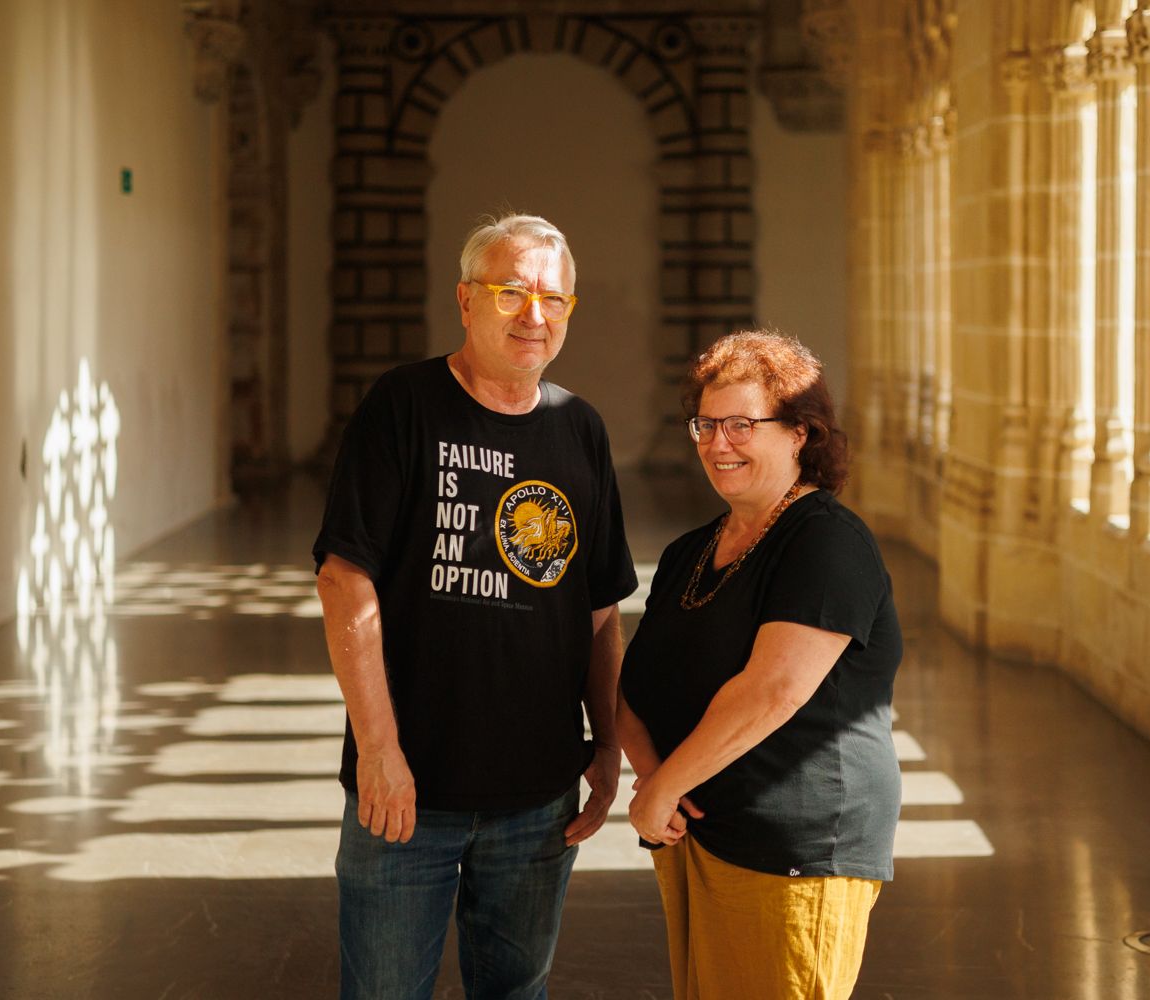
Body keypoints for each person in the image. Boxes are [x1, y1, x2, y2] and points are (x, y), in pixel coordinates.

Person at [313, 213, 637, 1000]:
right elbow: (343, 579)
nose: (535, 315)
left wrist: (605, 744)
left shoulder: (580, 429)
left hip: (537, 798)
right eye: (511, 293)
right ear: (465, 300)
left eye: (554, 299)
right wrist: (379, 752)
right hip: (408, 793)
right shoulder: (404, 406)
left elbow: (598, 608)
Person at [618, 329, 902, 1000]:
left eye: (743, 424)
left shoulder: (826, 541)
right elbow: (635, 682)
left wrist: (660, 792)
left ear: (801, 432)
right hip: (699, 833)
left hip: (796, 851)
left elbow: (773, 690)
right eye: (706, 424)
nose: (719, 444)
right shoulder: (691, 550)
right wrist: (656, 781)